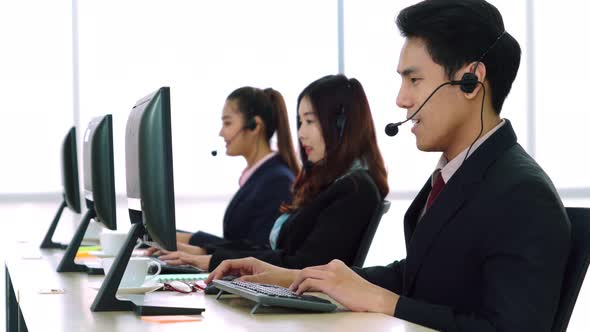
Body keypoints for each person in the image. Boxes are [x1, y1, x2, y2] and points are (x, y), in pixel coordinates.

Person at [206, 1, 571, 331]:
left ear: (471, 80)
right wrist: (292, 277)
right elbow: (413, 275)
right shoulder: (458, 175)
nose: (401, 99)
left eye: (414, 80)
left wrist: (384, 303)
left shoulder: (521, 193)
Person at [156, 74, 389, 272]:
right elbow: (271, 252)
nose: (301, 133)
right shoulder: (327, 186)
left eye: (309, 121)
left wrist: (208, 258)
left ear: (340, 126)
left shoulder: (353, 190)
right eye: (300, 122)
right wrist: (200, 251)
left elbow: (303, 266)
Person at [174, 87, 300, 251]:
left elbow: (260, 251)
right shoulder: (260, 176)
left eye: (227, 123)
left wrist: (196, 244)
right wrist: (186, 240)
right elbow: (239, 243)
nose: (221, 132)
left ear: (254, 125)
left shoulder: (278, 181)